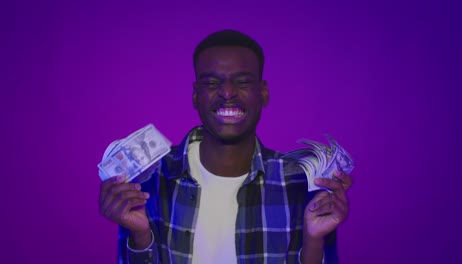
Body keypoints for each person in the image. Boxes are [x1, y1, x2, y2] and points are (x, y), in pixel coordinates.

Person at [99, 29, 353, 264]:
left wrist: (314, 241)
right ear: (195, 95)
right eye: (211, 83)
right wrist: (141, 237)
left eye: (242, 82)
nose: (227, 92)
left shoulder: (301, 182)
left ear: (263, 93)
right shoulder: (148, 180)